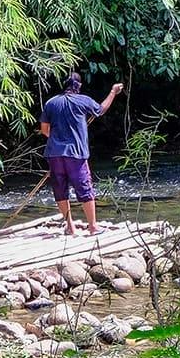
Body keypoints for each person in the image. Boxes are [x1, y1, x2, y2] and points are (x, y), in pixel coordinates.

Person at [41, 73, 123, 236]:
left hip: (54, 153)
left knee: (60, 190)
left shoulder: (51, 103)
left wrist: (58, 141)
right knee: (84, 188)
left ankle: (70, 228)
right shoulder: (83, 100)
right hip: (76, 154)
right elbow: (100, 109)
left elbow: (44, 130)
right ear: (78, 86)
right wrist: (113, 92)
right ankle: (93, 227)